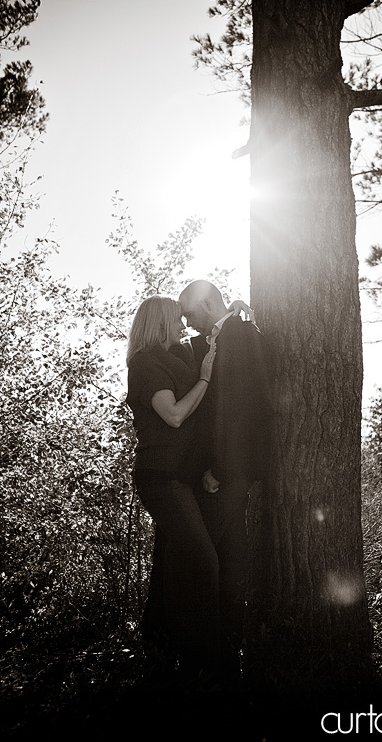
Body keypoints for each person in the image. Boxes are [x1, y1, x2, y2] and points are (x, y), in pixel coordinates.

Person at [126, 293, 244, 685]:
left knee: (174, 565)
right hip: (161, 478)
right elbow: (174, 415)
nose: (183, 326)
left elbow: (214, 333)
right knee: (202, 561)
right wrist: (206, 378)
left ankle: (162, 646)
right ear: (160, 324)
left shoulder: (177, 356)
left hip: (184, 477)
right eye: (176, 321)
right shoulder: (144, 364)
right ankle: (208, 661)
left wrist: (236, 313)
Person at [178, 280, 274, 684]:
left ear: (207, 303)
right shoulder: (218, 337)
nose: (186, 321)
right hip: (222, 469)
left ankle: (210, 656)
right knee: (230, 557)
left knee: (207, 560)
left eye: (189, 313)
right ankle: (226, 654)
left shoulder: (240, 333)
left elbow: (245, 407)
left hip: (233, 469)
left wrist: (222, 466)